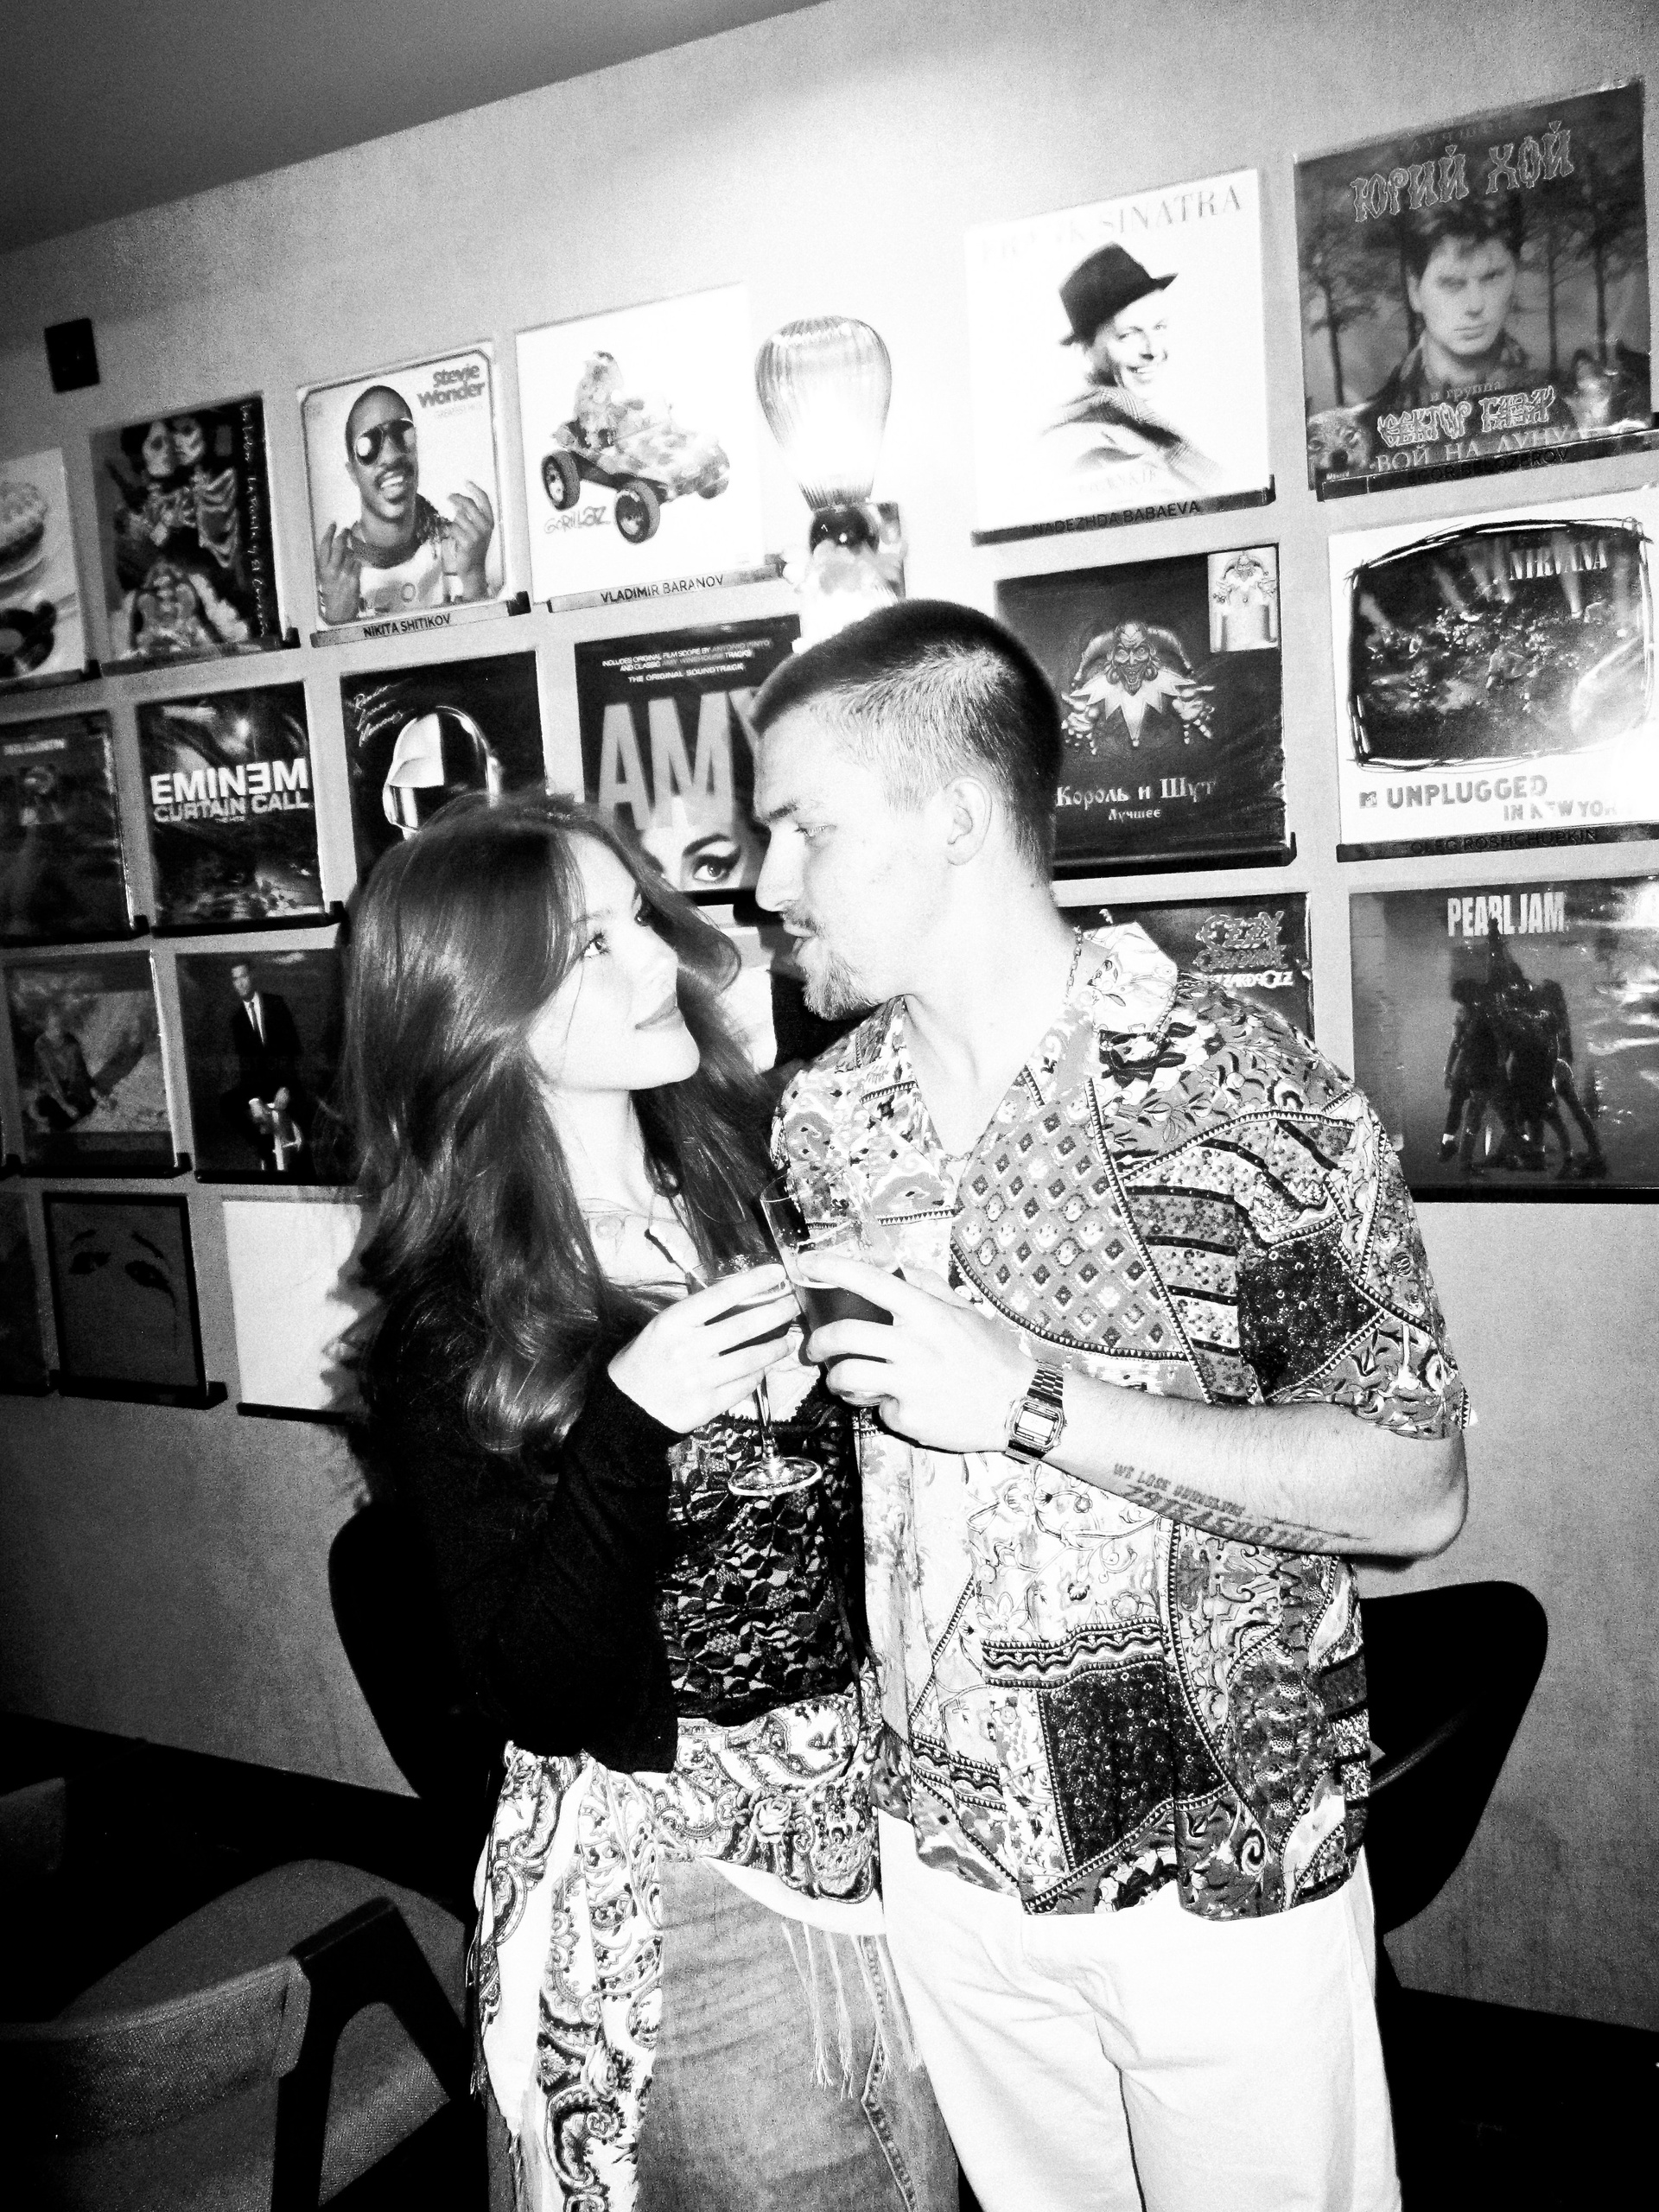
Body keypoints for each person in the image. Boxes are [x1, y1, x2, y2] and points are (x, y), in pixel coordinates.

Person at [750, 601, 1470, 2212]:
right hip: (947, 1856)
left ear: (955, 816)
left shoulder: (1243, 1096)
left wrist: (1029, 1401)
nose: (767, 882)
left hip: (1220, 1859)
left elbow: (1416, 1488)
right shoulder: (824, 1122)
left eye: (806, 829)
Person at [343, 791, 953, 2212]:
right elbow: (539, 1689)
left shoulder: (748, 1183)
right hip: (696, 1892)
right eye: (592, 946)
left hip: (890, 1831)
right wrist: (633, 1419)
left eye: (640, 922)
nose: (659, 961)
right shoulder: (458, 1319)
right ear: (478, 1015)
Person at [1048, 243, 1223, 495]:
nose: (1153, 350)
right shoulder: (1098, 451)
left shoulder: (1141, 430)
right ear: (1086, 352)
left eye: (1159, 327)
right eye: (1128, 334)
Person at [315, 383, 495, 624]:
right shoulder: (332, 573)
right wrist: (337, 620)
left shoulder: (462, 549)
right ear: (352, 472)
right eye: (368, 445)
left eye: (402, 433)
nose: (390, 456)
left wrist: (474, 579)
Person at [1364, 200, 1529, 419]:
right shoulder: (1377, 418)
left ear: (1515, 276)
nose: (1475, 306)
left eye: (1491, 277)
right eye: (1452, 283)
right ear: (1415, 290)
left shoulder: (1556, 392)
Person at [225, 958, 306, 1173]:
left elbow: (293, 1048)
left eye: (243, 976)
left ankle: (299, 1165)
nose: (240, 983)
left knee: (306, 1111)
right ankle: (265, 1151)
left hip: (285, 1081)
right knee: (228, 1103)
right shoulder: (236, 1020)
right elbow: (244, 1067)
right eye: (235, 979)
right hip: (257, 1086)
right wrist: (253, 1100)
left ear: (252, 976)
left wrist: (286, 1087)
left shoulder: (276, 1004)